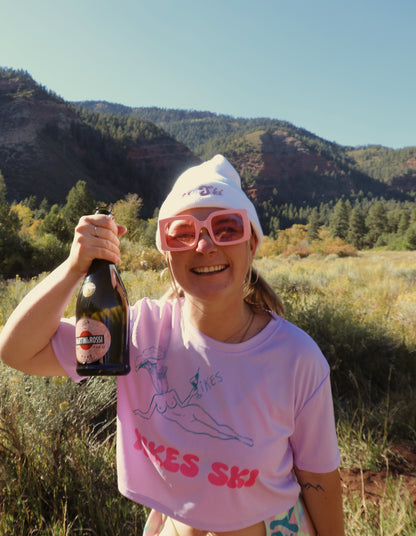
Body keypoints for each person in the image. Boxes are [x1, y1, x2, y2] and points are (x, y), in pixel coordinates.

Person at [0, 155, 344, 536]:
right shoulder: (138, 333)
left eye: (227, 228)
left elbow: (319, 480)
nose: (204, 245)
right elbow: (18, 351)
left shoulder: (297, 358)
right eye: (182, 232)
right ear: (166, 251)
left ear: (253, 244)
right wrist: (74, 267)